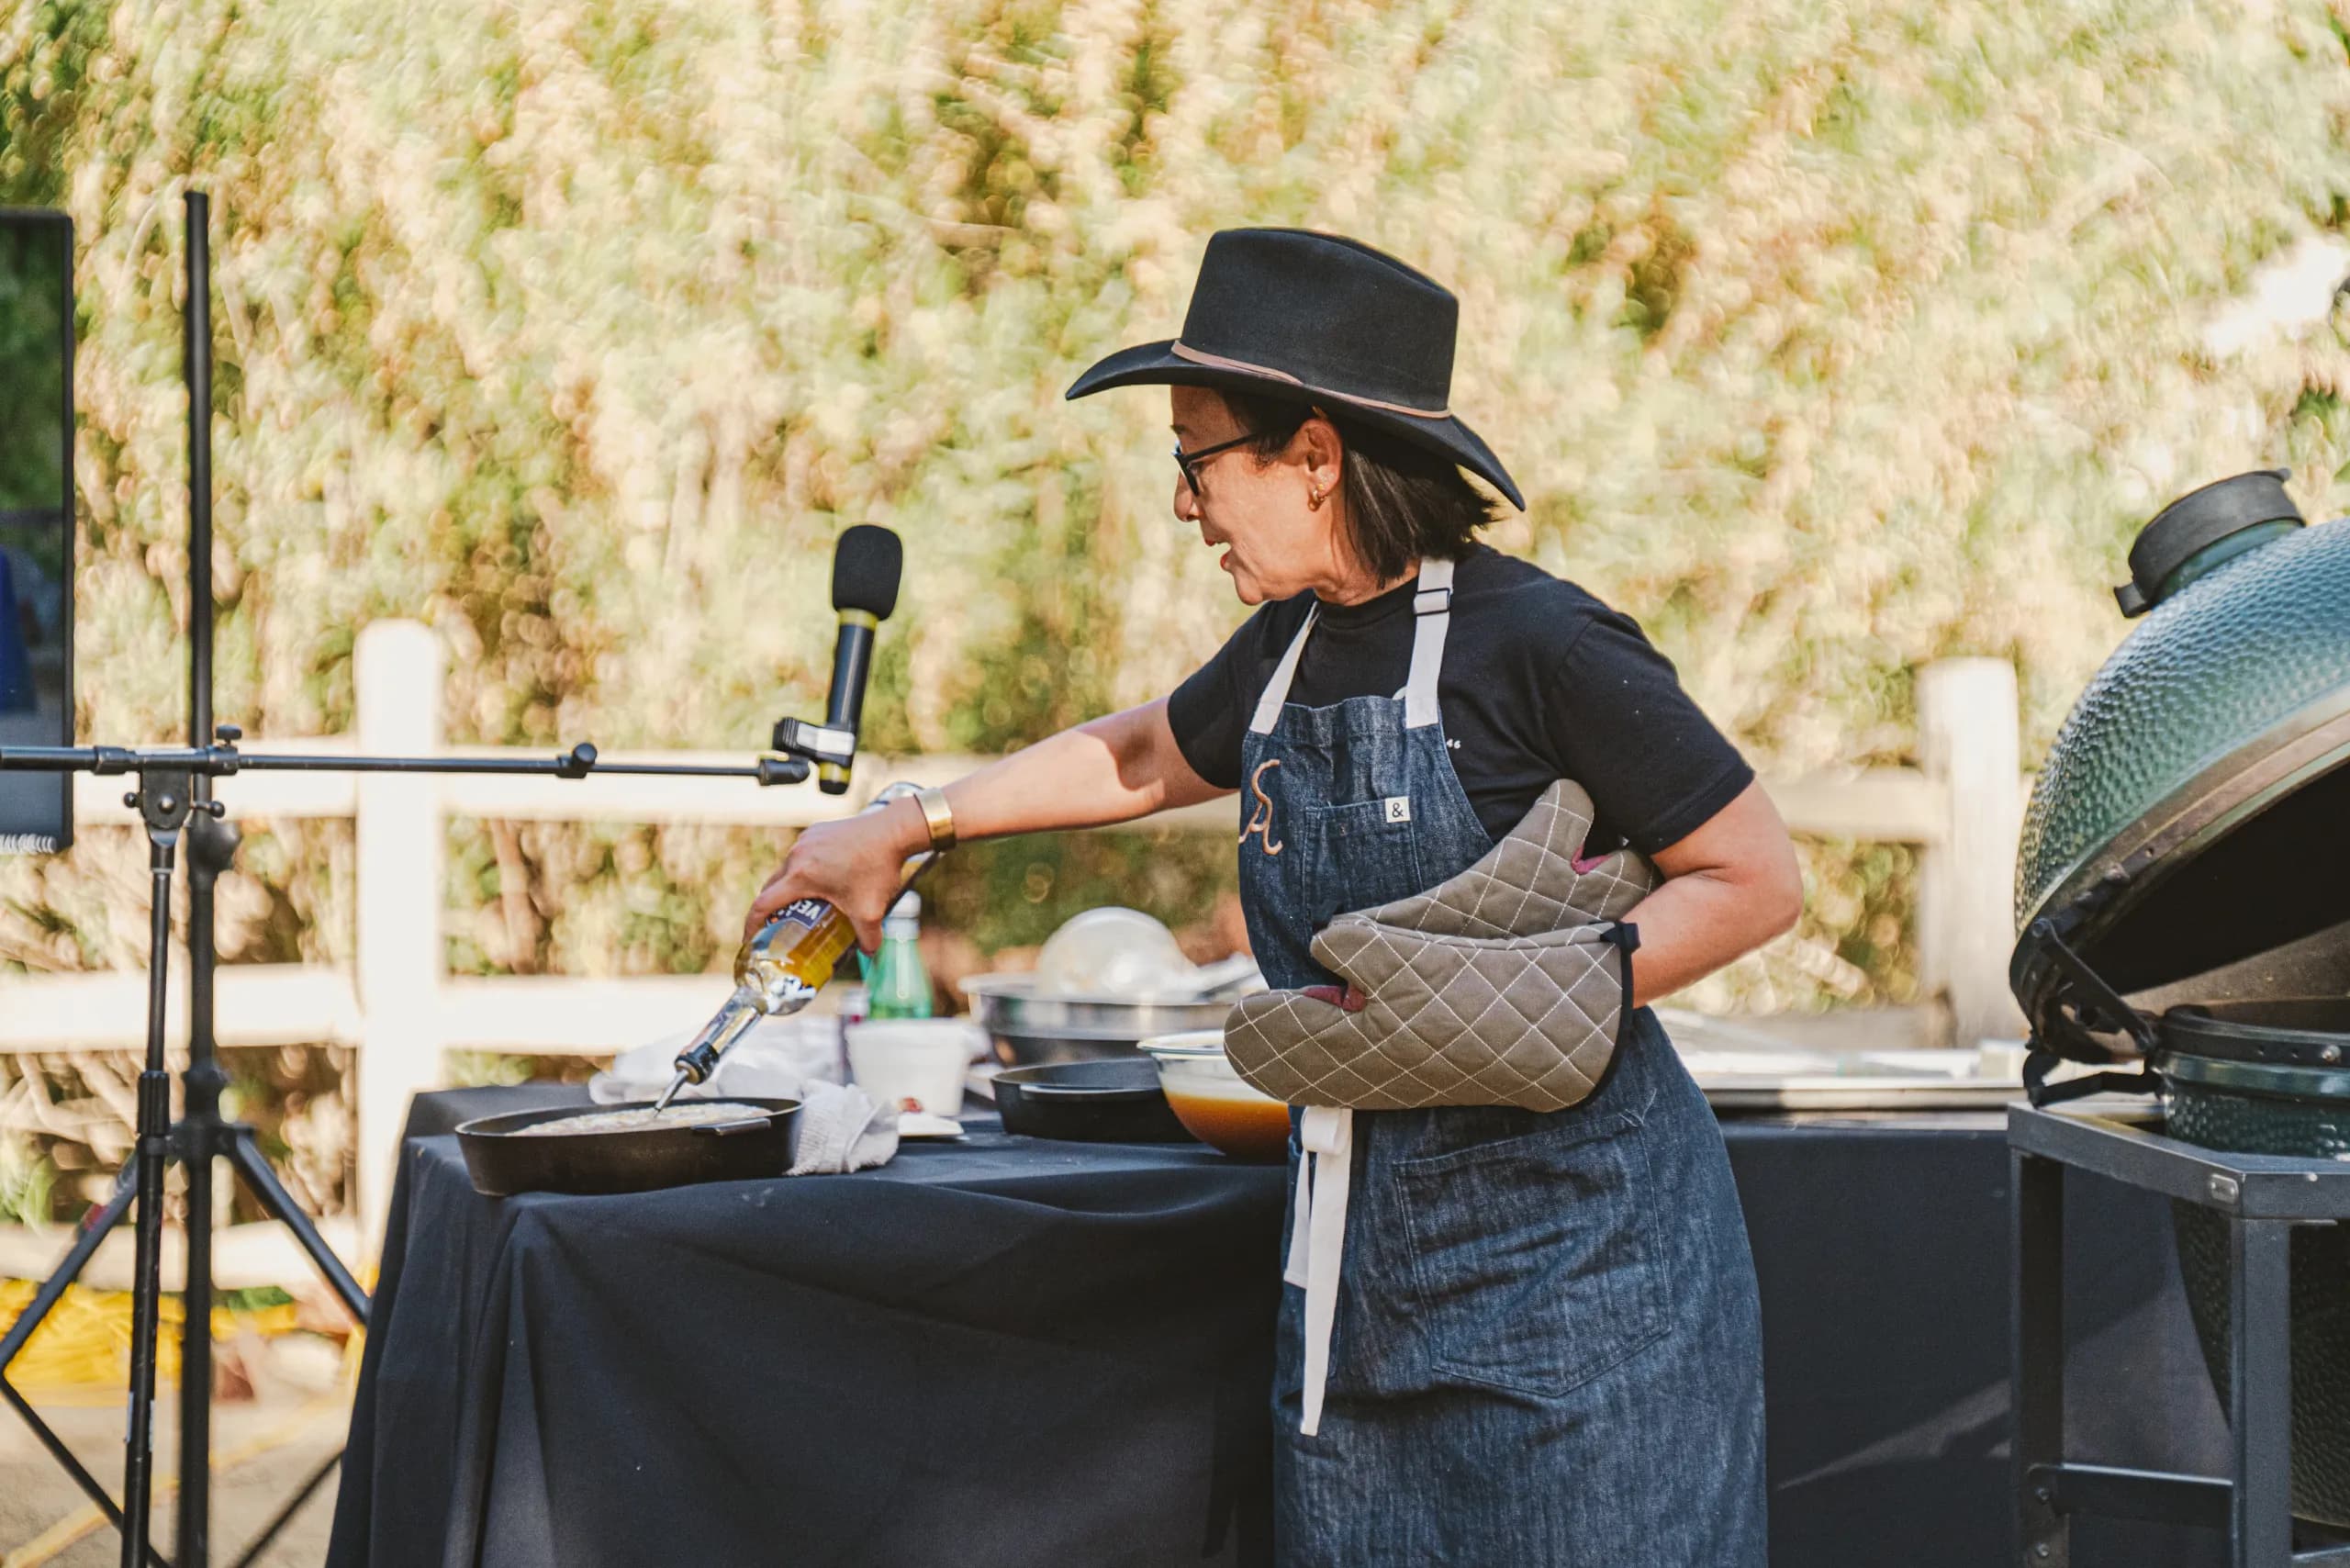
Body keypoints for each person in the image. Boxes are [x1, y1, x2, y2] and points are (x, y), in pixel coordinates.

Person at [745, 228, 1801, 1565]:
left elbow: (1755, 877)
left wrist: (1535, 991)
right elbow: (1140, 755)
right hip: (1357, 1292)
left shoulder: (1544, 645)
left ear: (1316, 455)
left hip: (1584, 1299)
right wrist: (907, 825)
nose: (1184, 505)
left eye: (1196, 460)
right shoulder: (1289, 648)